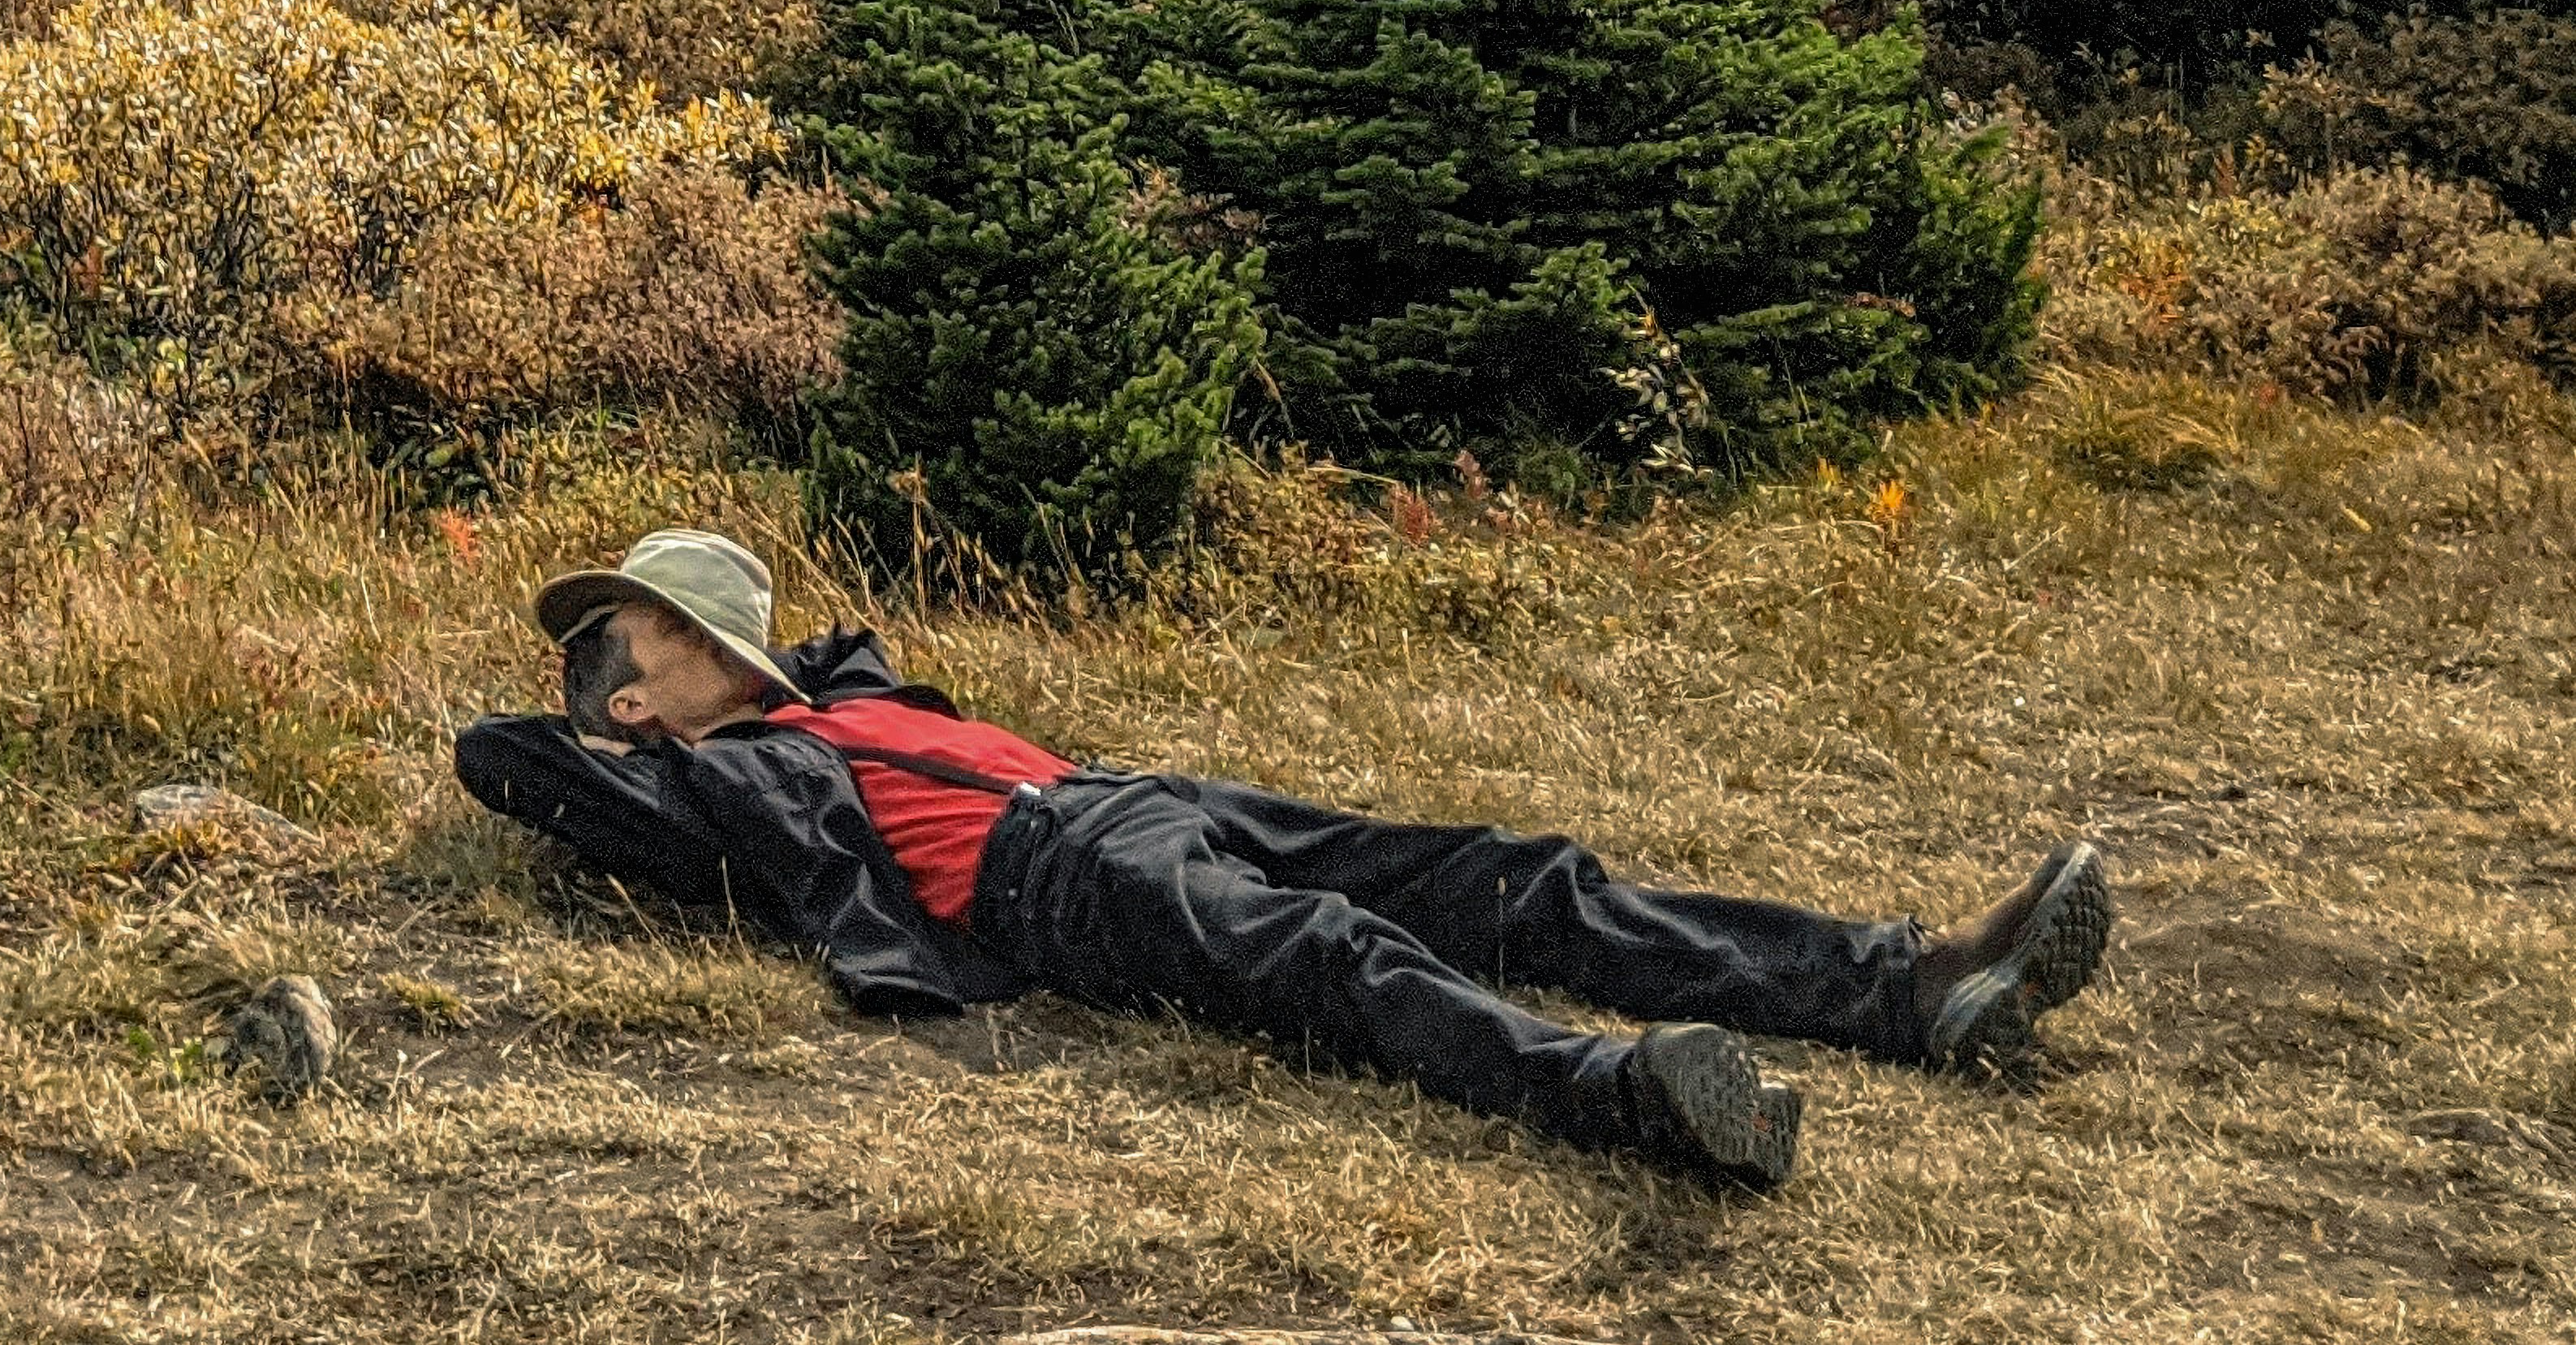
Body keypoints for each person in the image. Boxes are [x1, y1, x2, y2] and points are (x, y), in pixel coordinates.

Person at [454, 529, 2115, 1191]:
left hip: (1137, 794)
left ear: (705, 632)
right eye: (596, 648)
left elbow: (818, 647)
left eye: (618, 629)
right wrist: (637, 733)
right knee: (1325, 952)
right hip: (1060, 884)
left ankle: (1905, 980)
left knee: (1503, 870)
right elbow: (498, 756)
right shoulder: (722, 771)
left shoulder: (820, 694)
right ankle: (1630, 1092)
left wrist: (748, 677)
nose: (591, 657)